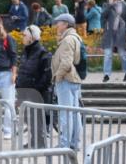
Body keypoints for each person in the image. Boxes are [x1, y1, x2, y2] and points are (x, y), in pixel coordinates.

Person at [16, 25, 53, 148]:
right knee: (30, 118)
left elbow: (47, 76)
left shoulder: (43, 53)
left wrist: (35, 88)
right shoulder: (26, 51)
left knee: (37, 119)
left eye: (25, 35)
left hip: (36, 92)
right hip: (25, 91)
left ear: (32, 37)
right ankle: (34, 141)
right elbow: (23, 70)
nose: (23, 37)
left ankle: (40, 142)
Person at [51, 14, 84, 150]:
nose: (56, 25)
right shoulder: (74, 38)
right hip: (73, 79)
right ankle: (75, 143)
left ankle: (65, 143)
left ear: (66, 24)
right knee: (74, 113)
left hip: (66, 79)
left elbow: (66, 62)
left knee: (66, 113)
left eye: (58, 23)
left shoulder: (67, 40)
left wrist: (57, 77)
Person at [101, 0, 126, 82]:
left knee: (123, 54)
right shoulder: (106, 5)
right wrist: (110, 5)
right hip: (109, 33)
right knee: (108, 55)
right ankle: (106, 75)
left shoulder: (124, 5)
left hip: (121, 33)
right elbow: (103, 16)